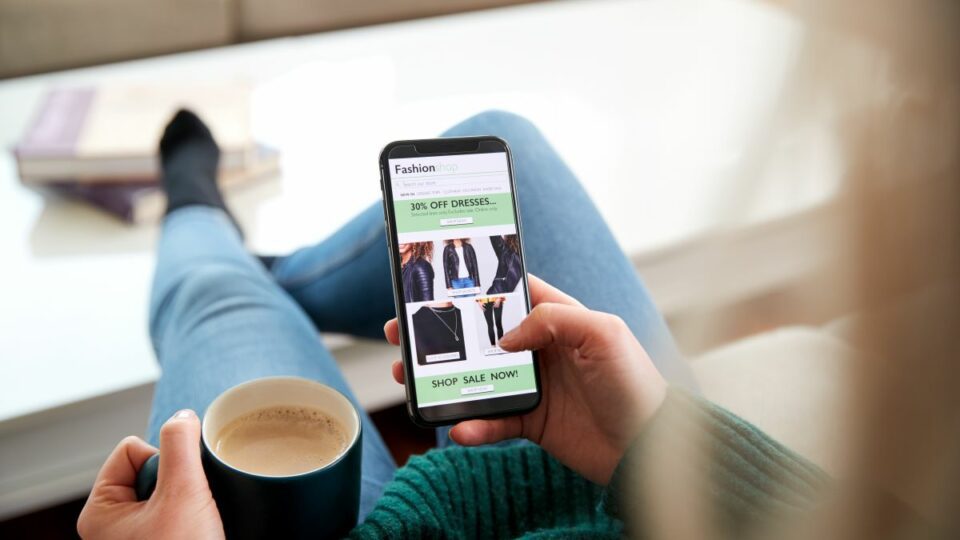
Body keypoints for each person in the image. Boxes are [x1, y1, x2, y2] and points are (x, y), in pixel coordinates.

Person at [77, 110, 839, 538]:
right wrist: (659, 444)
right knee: (510, 145)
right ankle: (258, 272)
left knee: (213, 294)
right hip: (672, 504)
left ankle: (204, 221)